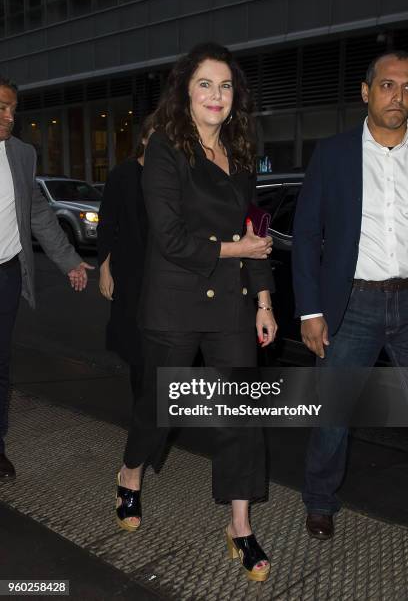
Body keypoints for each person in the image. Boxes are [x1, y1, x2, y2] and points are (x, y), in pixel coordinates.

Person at [115, 43, 277, 582]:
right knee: (159, 409)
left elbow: (256, 232)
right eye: (205, 84)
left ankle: (239, 523)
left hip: (231, 304)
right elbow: (170, 238)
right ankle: (130, 473)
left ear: (236, 97)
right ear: (186, 90)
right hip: (175, 302)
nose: (216, 95)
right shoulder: (165, 148)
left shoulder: (240, 152)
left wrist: (264, 299)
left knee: (242, 418)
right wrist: (240, 252)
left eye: (226, 86)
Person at [292, 50, 408, 540]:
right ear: (365, 91)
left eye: (407, 89)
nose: (398, 97)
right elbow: (306, 233)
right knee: (334, 414)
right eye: (387, 85)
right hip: (352, 305)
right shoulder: (335, 153)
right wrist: (311, 310)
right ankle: (320, 502)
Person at [0, 76, 93, 480]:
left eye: (13, 109)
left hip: (6, 273)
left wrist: (70, 261)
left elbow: (38, 213)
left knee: (1, 363)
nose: (10, 117)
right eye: (2, 107)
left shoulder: (21, 155)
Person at [97, 115, 152, 397]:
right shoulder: (123, 174)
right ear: (143, 138)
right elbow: (107, 223)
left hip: (165, 273)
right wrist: (105, 270)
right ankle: (143, 416)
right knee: (136, 348)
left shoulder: (175, 176)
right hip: (130, 272)